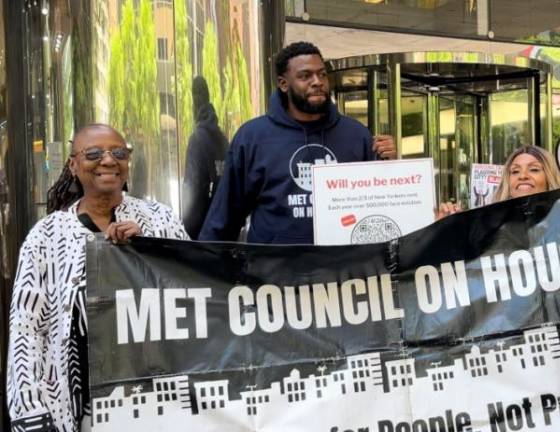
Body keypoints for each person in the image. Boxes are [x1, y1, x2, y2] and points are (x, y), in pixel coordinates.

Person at [6, 124, 189, 432]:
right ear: (73, 164)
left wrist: (150, 249)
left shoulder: (161, 219)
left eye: (118, 152)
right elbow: (27, 329)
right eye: (94, 153)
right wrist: (30, 411)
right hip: (78, 408)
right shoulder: (46, 237)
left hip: (158, 404)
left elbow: (195, 294)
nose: (108, 160)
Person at [199, 41, 395, 244]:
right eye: (305, 76)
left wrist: (390, 167)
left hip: (343, 271)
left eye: (322, 74)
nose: (317, 81)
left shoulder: (356, 135)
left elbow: (382, 207)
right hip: (273, 271)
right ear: (283, 84)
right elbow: (224, 217)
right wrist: (205, 267)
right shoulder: (253, 138)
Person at [182, 76, 229, 239]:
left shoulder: (197, 139)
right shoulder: (222, 138)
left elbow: (192, 188)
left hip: (202, 232)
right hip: (224, 227)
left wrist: (186, 231)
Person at [493, 145, 560, 202]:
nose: (522, 176)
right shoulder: (491, 220)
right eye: (515, 171)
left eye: (534, 169)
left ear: (550, 176)